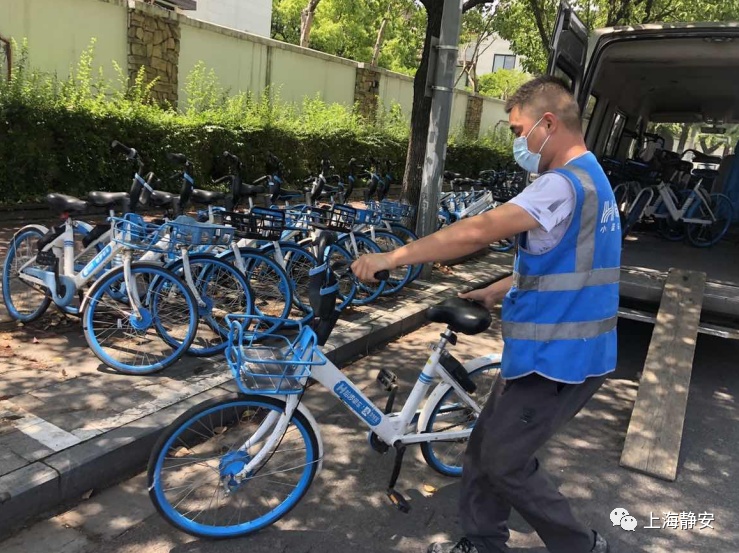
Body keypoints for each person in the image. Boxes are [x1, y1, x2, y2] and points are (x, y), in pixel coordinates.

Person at [351, 75, 620, 553]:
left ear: (548, 124)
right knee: (483, 449)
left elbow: (477, 231)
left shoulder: (559, 186)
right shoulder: (592, 176)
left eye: (519, 131)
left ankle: (581, 546)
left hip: (557, 358)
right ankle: (482, 541)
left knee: (504, 463)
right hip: (555, 351)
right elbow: (570, 262)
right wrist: (498, 289)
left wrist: (391, 257)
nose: (518, 143)